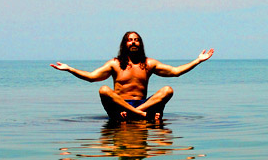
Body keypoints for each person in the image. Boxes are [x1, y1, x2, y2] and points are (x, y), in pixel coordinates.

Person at [50, 31, 214, 121]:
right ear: (125, 44)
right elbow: (92, 77)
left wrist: (198, 60)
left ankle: (137, 113)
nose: (134, 42)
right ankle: (142, 115)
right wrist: (70, 69)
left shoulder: (149, 63)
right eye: (130, 40)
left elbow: (176, 72)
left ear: (140, 44)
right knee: (104, 89)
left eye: (136, 40)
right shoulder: (115, 63)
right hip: (120, 107)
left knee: (167, 89)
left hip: (142, 105)